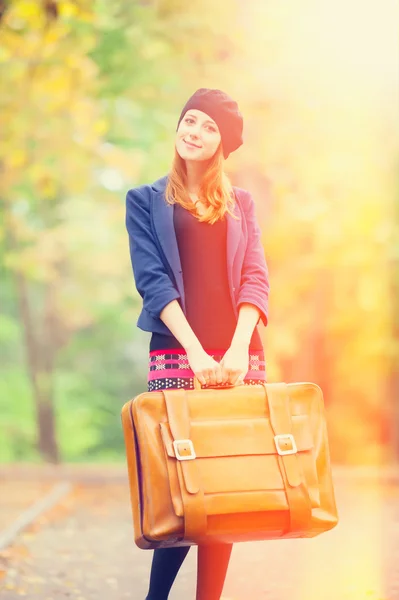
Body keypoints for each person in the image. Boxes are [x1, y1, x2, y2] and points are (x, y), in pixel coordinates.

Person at [125, 88, 270, 600]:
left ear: (222, 145)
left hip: (237, 357)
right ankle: (156, 598)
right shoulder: (144, 201)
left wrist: (235, 349)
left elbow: (255, 277)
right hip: (176, 352)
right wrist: (195, 352)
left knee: (225, 485)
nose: (195, 132)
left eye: (209, 128)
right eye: (190, 120)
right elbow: (153, 281)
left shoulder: (243, 204)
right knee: (180, 482)